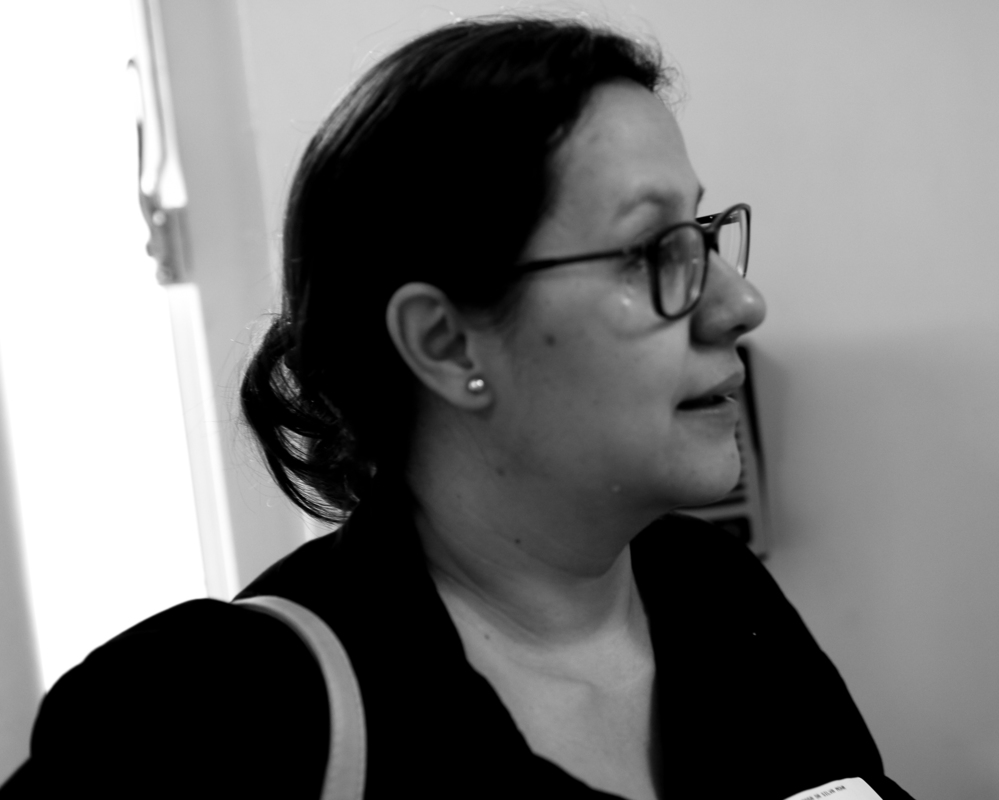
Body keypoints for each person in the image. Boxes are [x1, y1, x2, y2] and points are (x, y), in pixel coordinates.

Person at [1, 15, 915, 800]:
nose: (739, 304)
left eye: (703, 237)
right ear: (446, 343)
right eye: (649, 251)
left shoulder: (715, 597)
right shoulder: (217, 718)